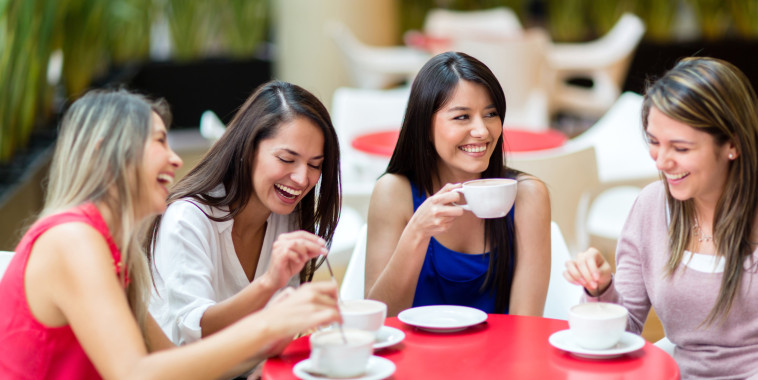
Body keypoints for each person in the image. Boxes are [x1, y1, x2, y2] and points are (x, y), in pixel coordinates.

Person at [0, 89, 340, 379]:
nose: (176, 160)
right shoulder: (73, 238)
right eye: (160, 141)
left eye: (314, 165)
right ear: (106, 152)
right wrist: (270, 323)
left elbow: (169, 363)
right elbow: (135, 373)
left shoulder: (112, 252)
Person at [564, 57, 758, 379]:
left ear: (732, 145)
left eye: (680, 148)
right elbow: (626, 329)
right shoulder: (651, 207)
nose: (662, 162)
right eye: (654, 142)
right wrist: (600, 289)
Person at [146, 80, 342, 346]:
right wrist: (269, 284)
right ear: (248, 149)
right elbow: (194, 331)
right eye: (286, 159)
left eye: (314, 165)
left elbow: (274, 335)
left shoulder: (287, 216)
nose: (301, 178)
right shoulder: (187, 218)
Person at [365, 51, 551, 317]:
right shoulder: (394, 193)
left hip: (500, 356)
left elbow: (526, 323)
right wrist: (417, 232)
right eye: (462, 117)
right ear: (425, 127)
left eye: (491, 114)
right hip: (415, 357)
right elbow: (378, 320)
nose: (482, 131)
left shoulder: (527, 196)